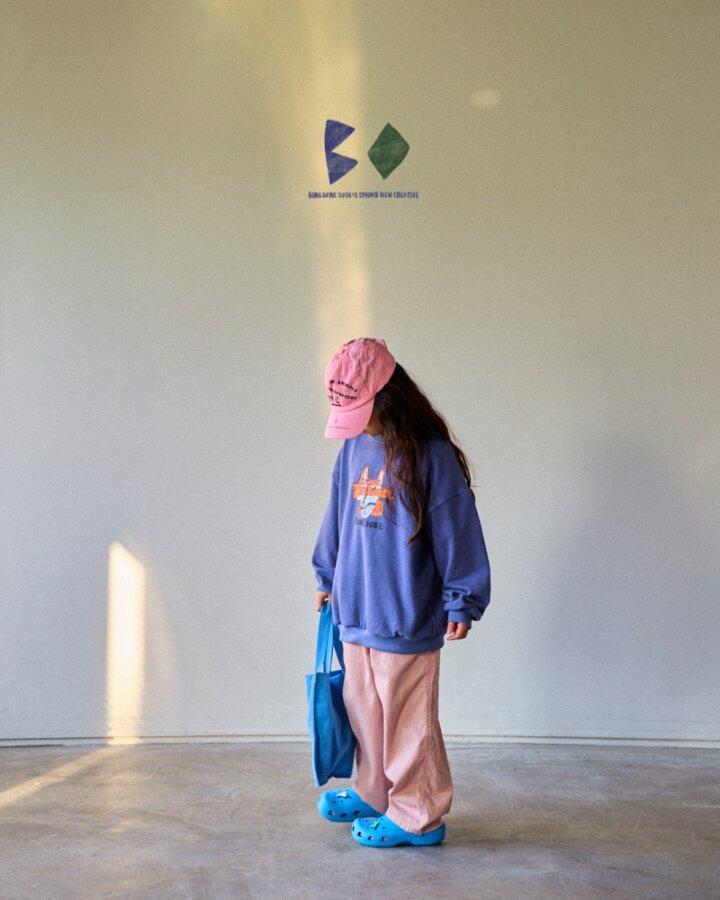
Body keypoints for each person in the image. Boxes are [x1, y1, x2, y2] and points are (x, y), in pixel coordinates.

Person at [310, 336, 492, 849]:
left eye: (362, 412)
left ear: (387, 397)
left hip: (406, 612)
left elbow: (457, 529)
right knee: (365, 712)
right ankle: (376, 793)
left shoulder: (431, 456)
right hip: (356, 609)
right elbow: (337, 516)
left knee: (409, 723)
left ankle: (418, 815)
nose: (358, 424)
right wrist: (326, 576)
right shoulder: (353, 449)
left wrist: (463, 597)